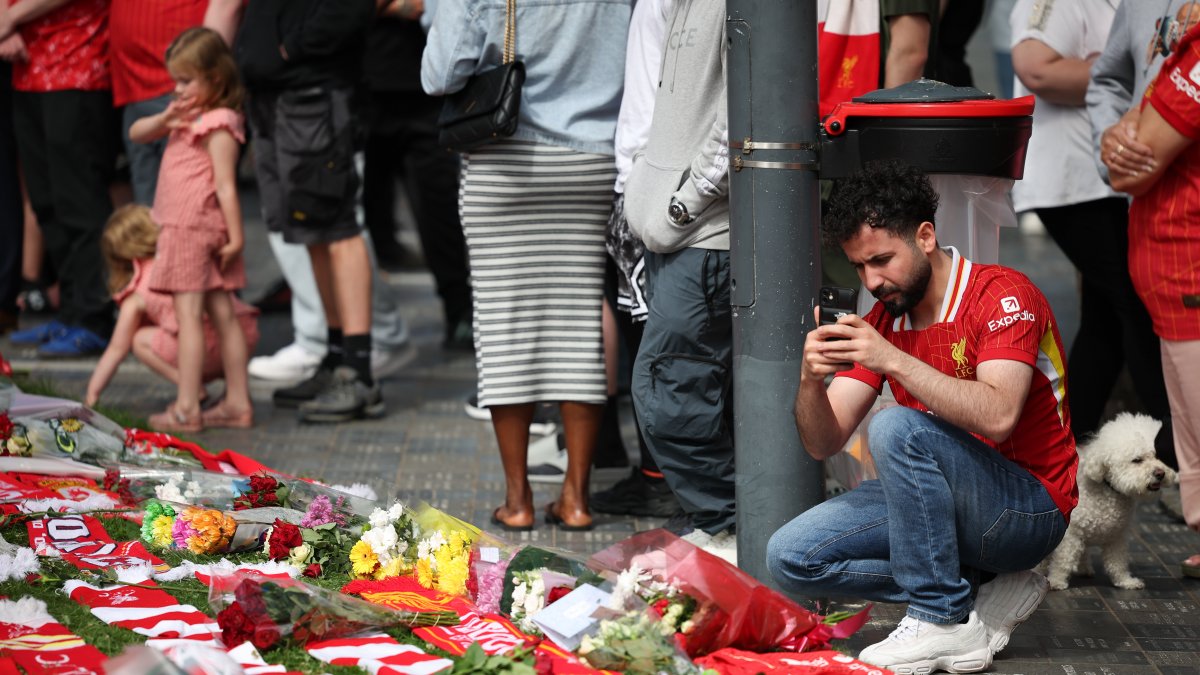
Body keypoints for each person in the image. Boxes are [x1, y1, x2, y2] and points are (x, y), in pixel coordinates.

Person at [767, 161, 1077, 672]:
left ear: (925, 236)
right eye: (859, 267)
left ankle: (942, 617)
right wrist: (808, 380)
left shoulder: (1003, 295)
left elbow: (998, 415)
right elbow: (823, 442)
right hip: (942, 509)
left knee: (894, 427)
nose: (872, 280)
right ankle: (975, 587)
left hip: (1029, 508)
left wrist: (890, 359)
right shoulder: (884, 317)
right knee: (792, 556)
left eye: (882, 260)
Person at [423, 0, 631, 532]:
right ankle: (577, 498)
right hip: (590, 157)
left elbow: (441, 73)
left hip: (503, 154)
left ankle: (517, 501)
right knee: (579, 325)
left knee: (502, 327)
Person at [1010, 0, 1171, 452]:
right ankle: (1173, 452)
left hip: (1111, 184)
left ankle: (1063, 448)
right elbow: (1035, 69)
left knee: (1107, 321)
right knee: (1137, 309)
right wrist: (1130, 74)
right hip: (1075, 184)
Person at [235, 0, 385, 423]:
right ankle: (335, 358)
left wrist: (290, 48)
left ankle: (358, 372)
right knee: (312, 231)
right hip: (277, 98)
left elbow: (350, 12)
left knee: (338, 228)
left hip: (314, 95)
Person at [624, 0, 734, 553]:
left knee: (672, 393)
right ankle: (720, 521)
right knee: (680, 389)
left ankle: (727, 525)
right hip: (683, 235)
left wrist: (682, 207)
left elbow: (747, 108)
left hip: (705, 239)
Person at [1105, 23, 1200, 578]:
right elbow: (1125, 143)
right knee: (1187, 419)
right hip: (1173, 278)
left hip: (1188, 269)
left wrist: (1129, 138)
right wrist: (1125, 131)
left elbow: (1131, 169)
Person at [127, 27, 254, 433]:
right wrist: (166, 118)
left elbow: (225, 185)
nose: (177, 88)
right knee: (221, 313)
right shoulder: (187, 115)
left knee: (188, 317)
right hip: (196, 227)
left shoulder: (217, 123)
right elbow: (136, 133)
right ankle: (236, 401)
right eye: (175, 80)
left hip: (190, 229)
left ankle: (187, 408)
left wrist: (236, 236)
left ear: (215, 78)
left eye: (185, 80)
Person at [588, 0, 681, 520]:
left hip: (651, 183)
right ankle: (655, 473)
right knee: (642, 334)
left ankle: (660, 477)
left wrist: (637, 182)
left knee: (652, 342)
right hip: (646, 179)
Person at [2, 0, 117, 357]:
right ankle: (71, 310)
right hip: (28, 70)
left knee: (79, 202)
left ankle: (94, 318)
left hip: (77, 67)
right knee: (47, 201)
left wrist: (9, 18)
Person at [86, 204, 259, 409]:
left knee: (138, 339)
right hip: (244, 335)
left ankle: (191, 389)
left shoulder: (139, 291)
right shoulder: (191, 256)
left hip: (204, 353)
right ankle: (237, 394)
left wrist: (91, 394)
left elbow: (116, 349)